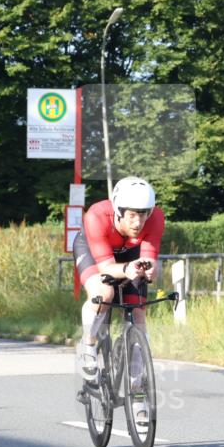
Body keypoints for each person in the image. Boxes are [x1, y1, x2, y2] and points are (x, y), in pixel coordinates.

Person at [72, 177, 165, 422]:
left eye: (144, 214)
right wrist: (126, 271)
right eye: (132, 215)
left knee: (138, 312)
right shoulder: (96, 216)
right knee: (105, 293)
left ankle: (137, 393)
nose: (138, 222)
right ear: (119, 211)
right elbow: (105, 266)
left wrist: (151, 268)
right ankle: (88, 344)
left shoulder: (155, 219)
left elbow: (149, 256)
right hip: (95, 252)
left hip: (129, 254)